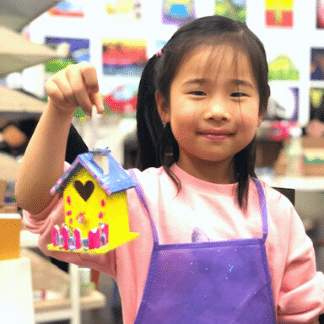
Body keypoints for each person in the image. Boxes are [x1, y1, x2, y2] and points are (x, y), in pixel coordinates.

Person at [15, 15, 324, 323]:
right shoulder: (134, 200)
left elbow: (301, 314)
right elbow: (40, 206)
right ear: (163, 106)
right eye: (198, 92)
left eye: (237, 94)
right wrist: (59, 110)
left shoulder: (279, 213)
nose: (218, 111)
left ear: (260, 110)